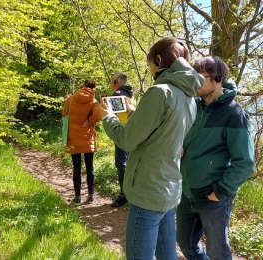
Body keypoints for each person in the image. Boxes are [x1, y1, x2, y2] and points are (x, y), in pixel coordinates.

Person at [99, 36, 204, 260]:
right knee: (167, 256)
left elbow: (126, 139)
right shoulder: (189, 97)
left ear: (158, 59)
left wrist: (107, 116)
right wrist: (135, 113)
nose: (149, 70)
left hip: (147, 191)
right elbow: (162, 134)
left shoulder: (160, 92)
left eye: (150, 64)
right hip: (169, 188)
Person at [176, 56, 255, 260]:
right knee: (185, 244)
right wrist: (180, 146)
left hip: (213, 197)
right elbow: (185, 136)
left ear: (217, 78)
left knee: (217, 253)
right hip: (187, 192)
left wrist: (220, 192)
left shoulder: (234, 113)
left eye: (200, 77)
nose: (195, 82)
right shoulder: (193, 105)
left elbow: (244, 162)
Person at [62, 79, 101, 204]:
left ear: (83, 86)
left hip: (73, 136)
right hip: (88, 137)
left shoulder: (71, 99)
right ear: (93, 89)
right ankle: (91, 195)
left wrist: (66, 102)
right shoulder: (94, 101)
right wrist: (89, 121)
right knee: (90, 167)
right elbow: (98, 116)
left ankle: (77, 197)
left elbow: (64, 115)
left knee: (76, 167)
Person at [109, 72, 135, 207]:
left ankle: (124, 194)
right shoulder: (131, 93)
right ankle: (133, 192)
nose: (110, 84)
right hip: (134, 131)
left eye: (111, 81)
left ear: (115, 82)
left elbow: (112, 116)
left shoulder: (117, 94)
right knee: (132, 163)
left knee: (121, 164)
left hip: (122, 133)